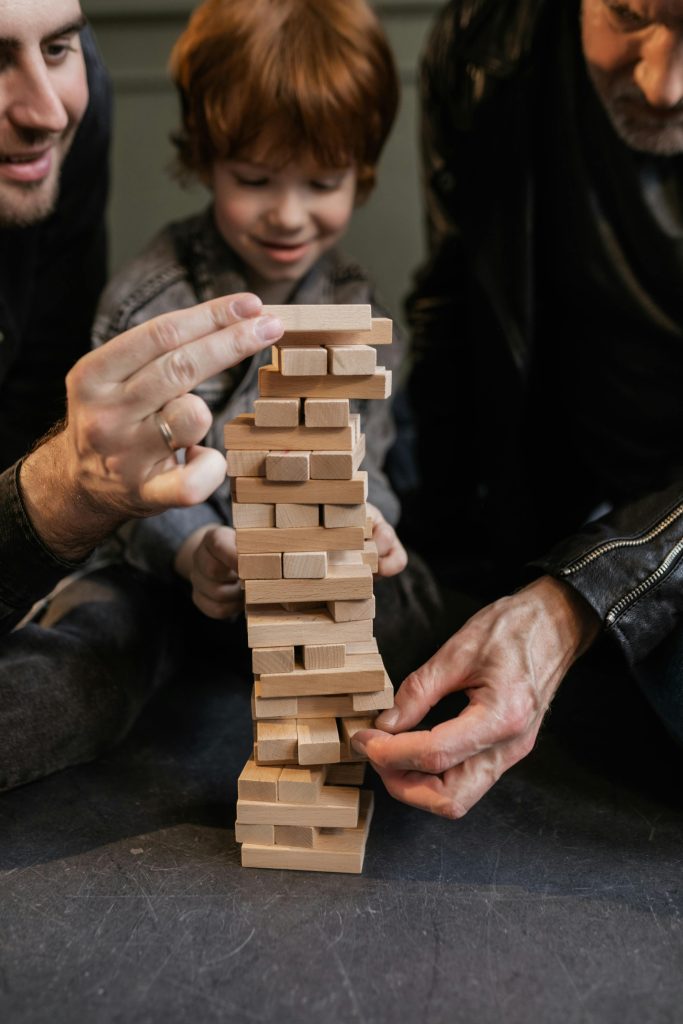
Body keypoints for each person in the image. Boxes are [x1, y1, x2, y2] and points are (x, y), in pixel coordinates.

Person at [352, 0, 683, 817]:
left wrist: (573, 602)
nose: (662, 82)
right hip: (553, 487)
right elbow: (457, 304)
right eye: (632, 14)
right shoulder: (482, 43)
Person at [92, 0, 438, 673]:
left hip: (310, 580)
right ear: (206, 158)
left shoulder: (352, 303)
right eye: (253, 181)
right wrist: (196, 550)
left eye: (322, 182)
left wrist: (368, 525)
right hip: (171, 577)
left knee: (416, 610)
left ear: (359, 173)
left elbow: (371, 459)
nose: (287, 215)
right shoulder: (152, 302)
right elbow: (121, 485)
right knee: (95, 646)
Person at [0, 0, 286, 791]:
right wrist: (172, 538)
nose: (47, 110)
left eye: (60, 46)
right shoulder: (151, 293)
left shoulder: (62, 126)